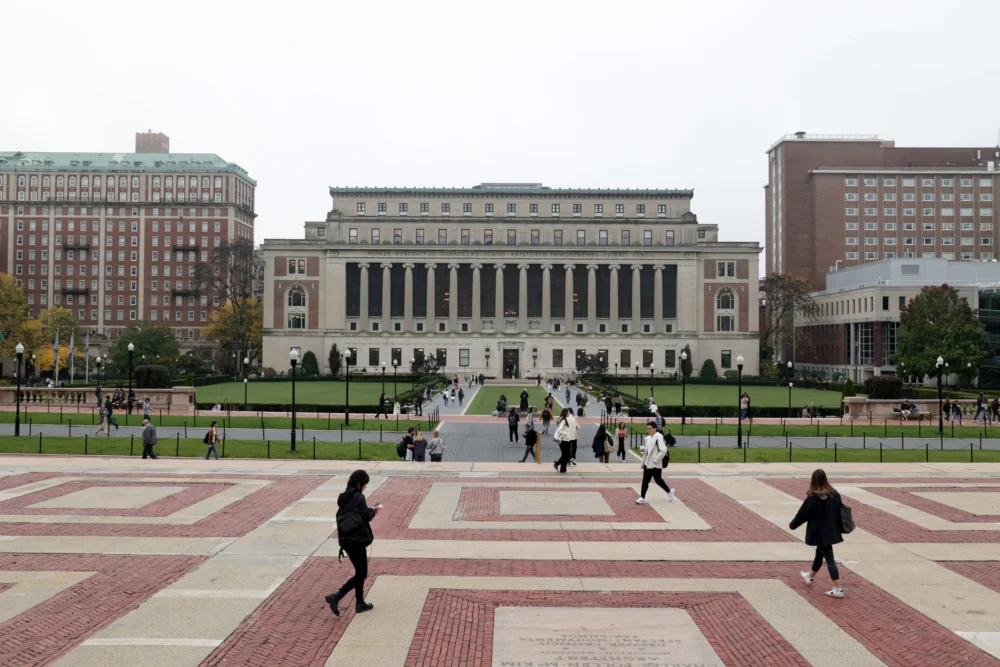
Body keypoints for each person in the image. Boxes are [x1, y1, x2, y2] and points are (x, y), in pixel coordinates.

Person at [325, 469, 381, 617]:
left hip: (346, 541)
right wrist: (373, 511)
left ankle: (360, 602)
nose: (365, 487)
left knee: (360, 572)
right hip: (357, 539)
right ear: (359, 483)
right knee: (361, 573)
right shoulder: (359, 497)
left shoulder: (344, 497)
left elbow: (352, 513)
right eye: (364, 484)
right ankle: (337, 596)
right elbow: (364, 517)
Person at [789, 469, 846, 599]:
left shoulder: (813, 497)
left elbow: (802, 514)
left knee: (830, 559)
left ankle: (838, 588)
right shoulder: (834, 494)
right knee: (820, 554)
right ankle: (809, 577)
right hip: (831, 530)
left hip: (820, 532)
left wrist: (793, 525)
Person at [635, 420, 675, 504]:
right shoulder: (649, 438)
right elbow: (649, 450)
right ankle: (642, 497)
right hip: (647, 463)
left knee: (658, 480)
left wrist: (656, 460)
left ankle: (669, 491)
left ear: (654, 429)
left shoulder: (658, 438)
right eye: (647, 429)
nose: (648, 430)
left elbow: (663, 450)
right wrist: (644, 449)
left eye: (649, 428)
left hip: (654, 464)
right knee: (645, 481)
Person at [552, 408, 577, 473]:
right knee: (566, 455)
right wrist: (566, 434)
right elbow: (560, 430)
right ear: (565, 413)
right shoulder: (563, 420)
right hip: (564, 440)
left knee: (565, 455)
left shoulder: (562, 419)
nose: (569, 413)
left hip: (565, 440)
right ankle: (562, 469)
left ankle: (559, 466)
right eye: (568, 412)